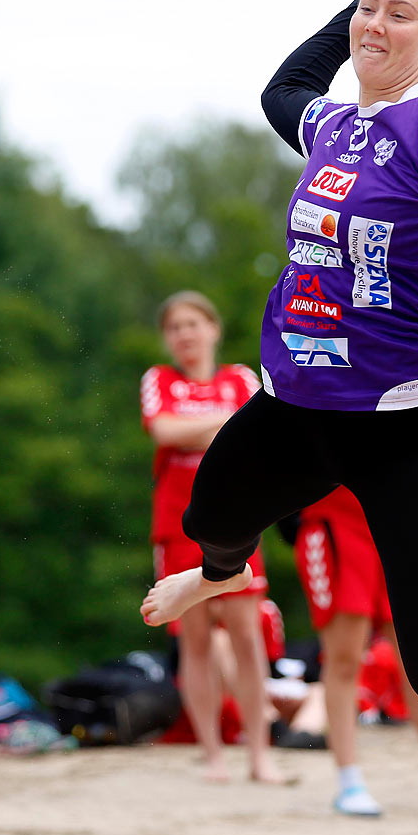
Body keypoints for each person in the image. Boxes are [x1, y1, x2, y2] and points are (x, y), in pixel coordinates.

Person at [138, 0, 418, 757]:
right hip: (301, 405)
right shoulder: (332, 125)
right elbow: (282, 90)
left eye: (400, 15)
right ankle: (220, 575)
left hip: (417, 426)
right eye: (367, 8)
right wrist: (369, 7)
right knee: (210, 520)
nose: (374, 24)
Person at [141, 290, 284, 783]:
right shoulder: (160, 380)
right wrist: (223, 423)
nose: (184, 334)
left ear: (213, 329)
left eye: (193, 324)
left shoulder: (240, 377)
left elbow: (260, 434)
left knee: (246, 637)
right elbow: (163, 432)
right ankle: (214, 754)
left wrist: (199, 430)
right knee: (196, 640)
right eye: (175, 327)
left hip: (240, 518)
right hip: (179, 524)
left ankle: (259, 754)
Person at [293, 487, 418, 815]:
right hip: (336, 523)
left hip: (393, 528)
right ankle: (349, 781)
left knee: (416, 658)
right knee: (344, 658)